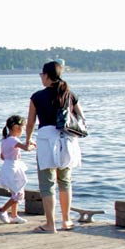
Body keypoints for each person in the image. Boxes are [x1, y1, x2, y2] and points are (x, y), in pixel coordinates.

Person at [25, 61, 83, 233]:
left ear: (47, 76)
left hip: (46, 139)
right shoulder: (70, 94)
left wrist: (27, 140)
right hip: (67, 139)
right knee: (65, 181)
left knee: (47, 184)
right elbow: (81, 117)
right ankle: (66, 220)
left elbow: (30, 123)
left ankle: (50, 224)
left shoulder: (37, 96)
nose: (41, 78)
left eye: (41, 75)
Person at [0, 115, 35, 224]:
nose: (23, 130)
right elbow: (26, 148)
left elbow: (2, 156)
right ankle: (3, 210)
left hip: (9, 166)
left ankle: (14, 215)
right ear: (15, 128)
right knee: (17, 193)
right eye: (22, 128)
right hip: (12, 168)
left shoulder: (5, 140)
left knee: (17, 190)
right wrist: (33, 145)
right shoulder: (13, 140)